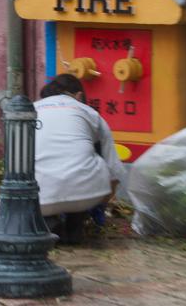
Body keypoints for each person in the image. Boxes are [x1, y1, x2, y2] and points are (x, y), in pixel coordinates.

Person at [33, 73, 127, 244]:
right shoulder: (89, 112)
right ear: (79, 96)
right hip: (85, 194)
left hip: (36, 198)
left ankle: (47, 221)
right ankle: (76, 220)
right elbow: (114, 171)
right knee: (93, 157)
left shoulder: (30, 109)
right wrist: (100, 205)